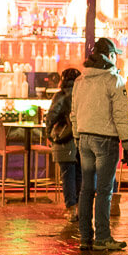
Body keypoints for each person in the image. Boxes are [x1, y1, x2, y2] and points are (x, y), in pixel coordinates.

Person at [71, 37, 128, 251]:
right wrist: (127, 142)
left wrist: (77, 136)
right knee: (104, 190)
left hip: (84, 138)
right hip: (105, 140)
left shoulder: (81, 80)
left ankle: (85, 237)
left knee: (87, 189)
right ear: (109, 56)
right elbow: (121, 115)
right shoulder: (113, 80)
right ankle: (102, 237)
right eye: (115, 55)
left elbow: (74, 113)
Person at [46, 68, 81, 222]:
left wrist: (49, 133)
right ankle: (81, 208)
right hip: (82, 140)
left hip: (65, 141)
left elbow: (52, 116)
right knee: (80, 176)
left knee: (68, 176)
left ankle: (71, 209)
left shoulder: (60, 95)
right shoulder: (84, 95)